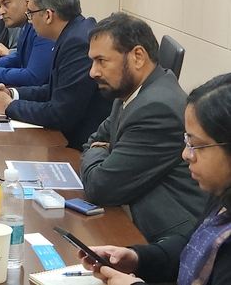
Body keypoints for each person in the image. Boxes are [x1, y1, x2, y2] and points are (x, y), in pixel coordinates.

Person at [79, 73, 231, 285]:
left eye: (197, 145)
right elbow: (192, 245)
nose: (186, 155)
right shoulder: (222, 194)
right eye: (187, 142)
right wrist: (137, 258)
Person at [80, 13, 206, 243]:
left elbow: (100, 187)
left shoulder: (158, 109)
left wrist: (98, 150)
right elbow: (94, 139)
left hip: (165, 239)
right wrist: (100, 149)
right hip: (131, 215)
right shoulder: (130, 91)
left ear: (138, 57)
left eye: (101, 61)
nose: (93, 72)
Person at [0, 0, 112, 150]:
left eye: (31, 13)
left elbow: (60, 114)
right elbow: (52, 90)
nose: (29, 20)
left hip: (79, 147)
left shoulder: (78, 43)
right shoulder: (72, 34)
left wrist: (8, 106)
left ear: (48, 15)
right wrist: (12, 94)